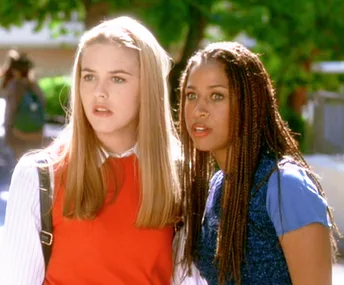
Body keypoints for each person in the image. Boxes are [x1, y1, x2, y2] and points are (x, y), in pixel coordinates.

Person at [0, 16, 181, 285]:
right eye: (89, 77)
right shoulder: (39, 176)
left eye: (118, 79)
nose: (99, 92)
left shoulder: (181, 177)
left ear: (148, 88)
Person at [177, 42, 339, 285]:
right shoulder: (217, 186)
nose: (199, 110)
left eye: (217, 96)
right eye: (191, 95)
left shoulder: (287, 186)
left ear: (249, 104)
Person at [0, 50, 46, 160]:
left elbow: (11, 110)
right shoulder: (34, 85)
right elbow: (43, 104)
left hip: (17, 134)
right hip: (36, 133)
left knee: (18, 166)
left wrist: (8, 132)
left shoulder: (15, 86)